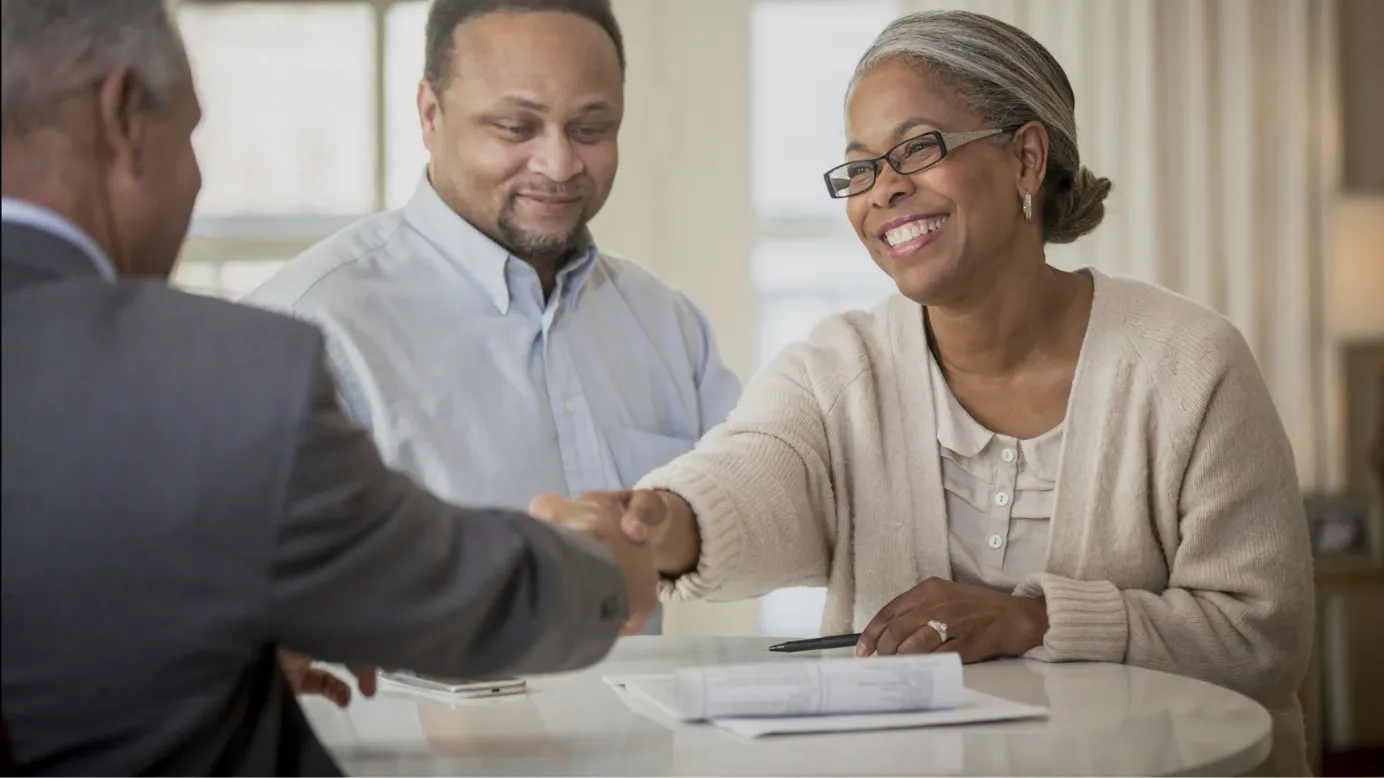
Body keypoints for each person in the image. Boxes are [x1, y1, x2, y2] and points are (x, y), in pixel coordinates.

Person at [529, 10, 1314, 776]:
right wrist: (654, 523)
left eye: (917, 149)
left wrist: (1032, 619)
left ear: (1026, 160)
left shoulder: (1189, 364)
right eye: (860, 167)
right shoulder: (841, 366)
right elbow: (752, 472)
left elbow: (1261, 636)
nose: (884, 191)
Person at [0, 1, 657, 775]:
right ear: (123, 120)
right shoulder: (223, 371)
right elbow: (450, 588)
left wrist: (233, 639)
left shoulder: (656, 315)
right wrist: (607, 569)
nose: (196, 178)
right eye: (191, 134)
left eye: (589, 126)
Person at [243, 0, 739, 628]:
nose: (558, 166)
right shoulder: (303, 331)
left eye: (590, 129)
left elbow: (757, 511)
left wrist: (677, 526)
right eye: (515, 127)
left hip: (648, 725)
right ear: (430, 113)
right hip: (399, 728)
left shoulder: (666, 323)